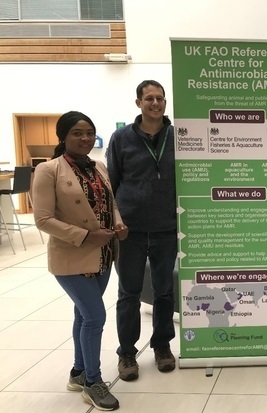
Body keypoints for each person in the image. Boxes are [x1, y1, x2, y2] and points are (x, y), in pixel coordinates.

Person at [33, 111, 128, 411]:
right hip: (73, 257)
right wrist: (86, 236)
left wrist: (119, 223)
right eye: (77, 132)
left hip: (103, 255)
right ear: (63, 136)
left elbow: (109, 204)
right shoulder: (48, 170)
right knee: (95, 317)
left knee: (83, 315)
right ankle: (93, 382)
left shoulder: (98, 167)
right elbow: (43, 219)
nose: (85, 138)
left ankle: (77, 372)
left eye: (89, 132)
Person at [107, 80, 177, 381]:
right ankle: (127, 352)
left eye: (160, 98)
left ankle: (162, 346)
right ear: (139, 103)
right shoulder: (121, 138)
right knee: (129, 293)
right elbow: (112, 182)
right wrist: (117, 218)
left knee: (164, 291)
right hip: (130, 230)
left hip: (167, 228)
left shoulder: (177, 135)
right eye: (149, 98)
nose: (155, 103)